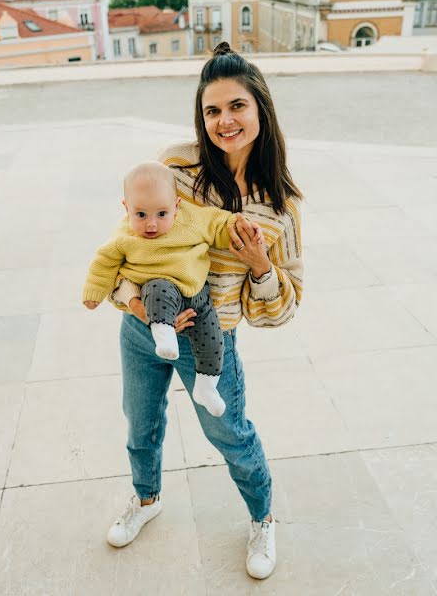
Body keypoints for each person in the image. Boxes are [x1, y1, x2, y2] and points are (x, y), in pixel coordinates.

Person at [106, 41, 303, 580]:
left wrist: (261, 266)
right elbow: (127, 244)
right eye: (212, 110)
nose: (224, 121)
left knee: (230, 434)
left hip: (211, 347)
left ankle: (262, 518)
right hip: (143, 328)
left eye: (236, 105)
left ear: (260, 106)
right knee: (140, 425)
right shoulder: (176, 166)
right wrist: (132, 303)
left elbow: (281, 311)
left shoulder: (279, 207)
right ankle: (146, 500)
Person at [82, 161, 263, 417]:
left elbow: (218, 225)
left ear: (176, 206)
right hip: (158, 294)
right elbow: (104, 264)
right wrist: (93, 292)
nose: (152, 224)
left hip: (198, 296)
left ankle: (206, 385)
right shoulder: (124, 236)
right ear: (126, 208)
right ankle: (163, 331)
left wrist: (239, 229)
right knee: (159, 288)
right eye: (141, 215)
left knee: (212, 337)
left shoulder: (191, 218)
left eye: (161, 214)